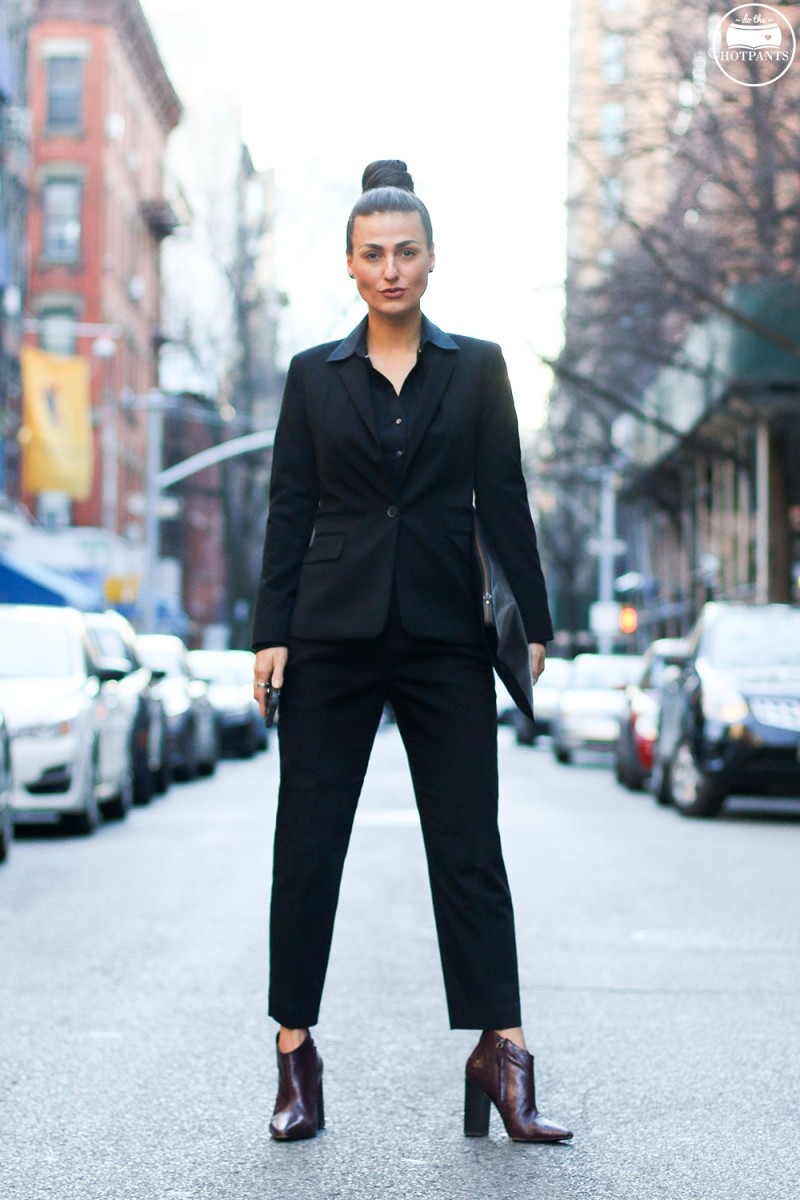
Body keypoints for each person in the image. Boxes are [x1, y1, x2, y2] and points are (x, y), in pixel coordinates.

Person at [251, 160, 572, 1145]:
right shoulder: (313, 376)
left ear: (430, 261)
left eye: (405, 252)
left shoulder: (475, 369)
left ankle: (501, 1053)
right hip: (329, 632)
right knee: (307, 852)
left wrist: (538, 621)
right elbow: (290, 506)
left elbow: (504, 497)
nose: (389, 269)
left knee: (469, 850)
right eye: (371, 254)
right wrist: (269, 630)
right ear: (349, 267)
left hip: (443, 633)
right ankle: (294, 1057)